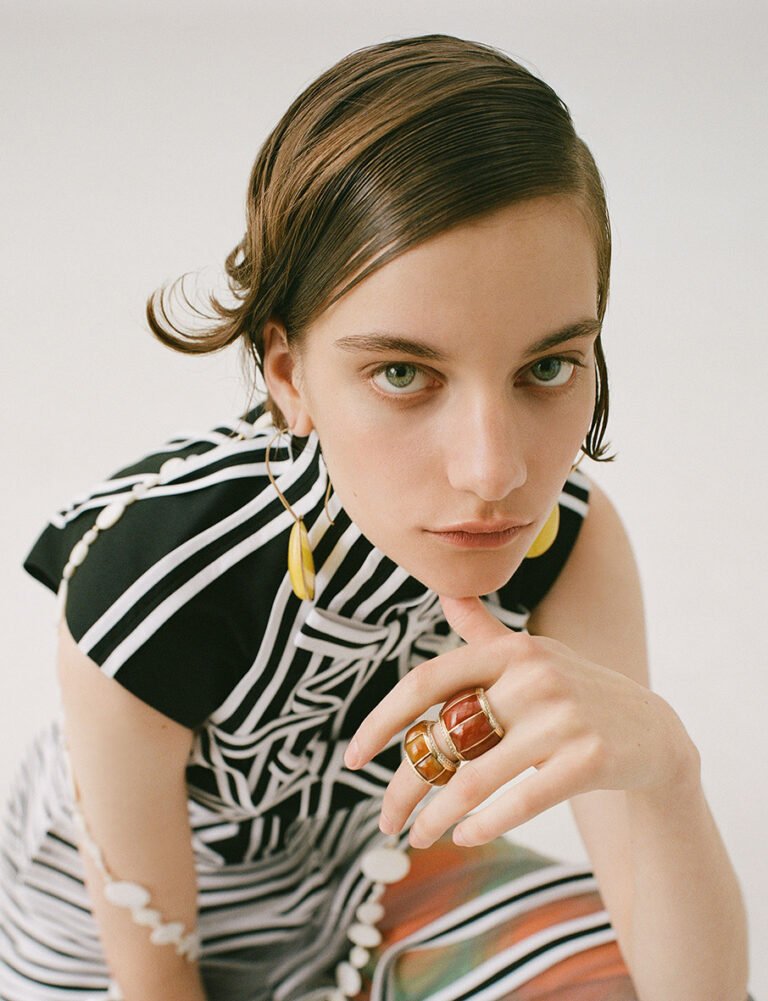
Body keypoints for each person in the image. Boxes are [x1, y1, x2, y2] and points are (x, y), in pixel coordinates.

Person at [0, 31, 751, 1001]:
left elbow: (697, 990)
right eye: (403, 372)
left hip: (366, 882)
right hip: (108, 943)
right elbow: (151, 965)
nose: (495, 472)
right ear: (287, 373)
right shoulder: (151, 581)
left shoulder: (566, 538)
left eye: (548, 366)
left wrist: (671, 770)